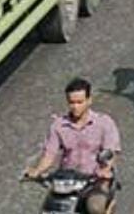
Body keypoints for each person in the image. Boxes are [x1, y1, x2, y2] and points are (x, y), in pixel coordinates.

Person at [24, 78, 120, 214]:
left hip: (94, 180)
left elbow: (111, 151)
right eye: (71, 102)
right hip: (67, 181)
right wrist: (37, 170)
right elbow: (49, 154)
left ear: (89, 100)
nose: (75, 106)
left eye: (79, 102)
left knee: (95, 207)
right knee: (49, 208)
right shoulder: (58, 126)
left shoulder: (104, 123)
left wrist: (105, 169)